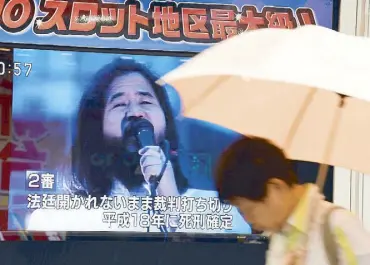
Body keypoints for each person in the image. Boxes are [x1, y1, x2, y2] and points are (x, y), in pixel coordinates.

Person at [26, 58, 251, 234]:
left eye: (145, 101)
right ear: (97, 127)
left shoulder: (215, 211)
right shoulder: (60, 216)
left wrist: (172, 204)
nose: (135, 112)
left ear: (165, 119)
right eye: (120, 104)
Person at [215, 136, 370, 265]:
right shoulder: (280, 237)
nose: (248, 219)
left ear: (275, 187)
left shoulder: (337, 225)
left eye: (249, 209)